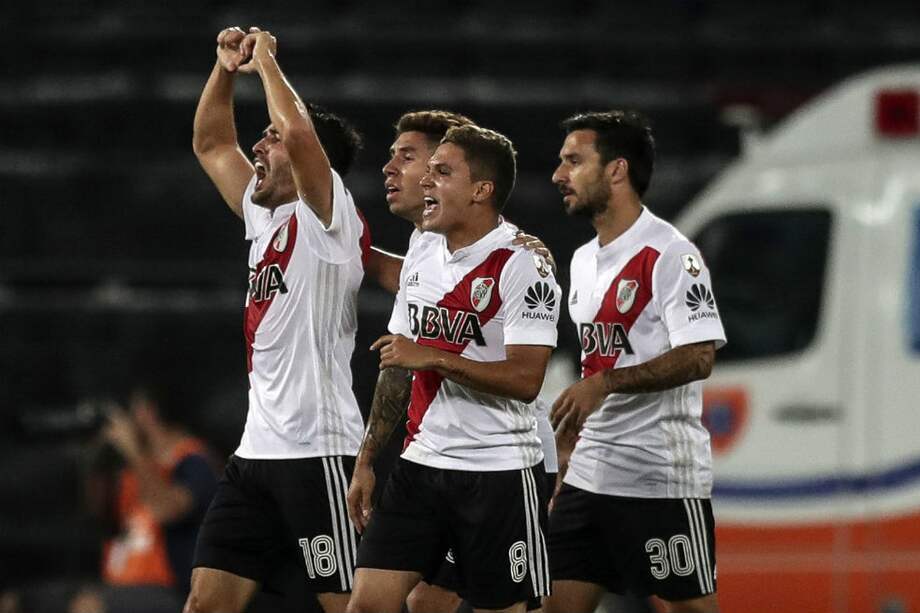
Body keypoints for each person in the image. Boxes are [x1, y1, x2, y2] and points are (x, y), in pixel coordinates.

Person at [187, 26, 367, 613]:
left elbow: (296, 130)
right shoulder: (263, 219)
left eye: (269, 139)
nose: (257, 148)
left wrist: (264, 62)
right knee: (205, 602)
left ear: (318, 163)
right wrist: (223, 70)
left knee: (347, 606)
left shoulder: (331, 219)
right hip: (255, 455)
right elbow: (212, 144)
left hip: (319, 451)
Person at [349, 110, 559, 613]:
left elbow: (527, 380)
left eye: (441, 171)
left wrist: (434, 357)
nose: (426, 180)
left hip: (500, 470)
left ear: (481, 190)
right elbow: (399, 362)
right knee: (368, 605)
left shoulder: (523, 264)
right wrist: (367, 458)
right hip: (423, 464)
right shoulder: (423, 249)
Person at [544, 111, 726, 613]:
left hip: (658, 477)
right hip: (590, 473)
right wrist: (566, 447)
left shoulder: (670, 254)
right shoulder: (582, 261)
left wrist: (604, 383)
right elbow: (595, 360)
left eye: (574, 161)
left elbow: (699, 356)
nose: (559, 175)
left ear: (617, 171)